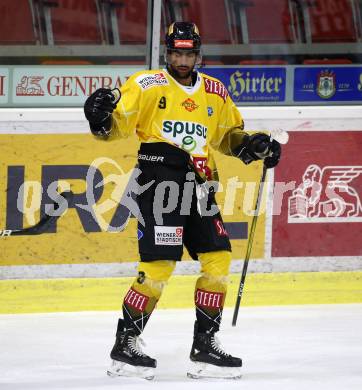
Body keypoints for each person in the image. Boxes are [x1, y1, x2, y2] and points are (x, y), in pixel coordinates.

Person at [84, 21, 281, 380]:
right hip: (158, 181)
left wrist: (255, 144)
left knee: (218, 257)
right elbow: (115, 126)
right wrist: (99, 118)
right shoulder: (147, 85)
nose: (182, 59)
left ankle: (205, 344)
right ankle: (125, 343)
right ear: (167, 52)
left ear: (197, 54)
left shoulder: (215, 92)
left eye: (188, 52)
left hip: (201, 185)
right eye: (176, 52)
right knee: (159, 265)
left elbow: (228, 137)